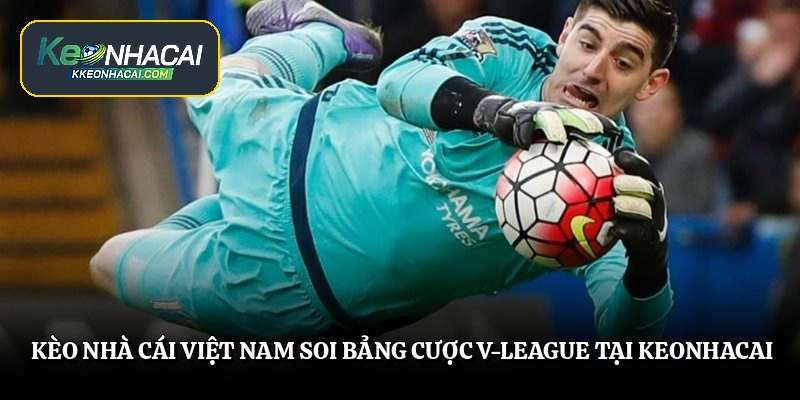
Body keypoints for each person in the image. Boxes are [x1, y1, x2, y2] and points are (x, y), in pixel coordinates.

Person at [90, 0, 677, 342]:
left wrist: (649, 267)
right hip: (293, 141)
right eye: (588, 43)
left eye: (623, 61)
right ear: (565, 33)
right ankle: (327, 36)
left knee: (109, 262)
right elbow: (401, 81)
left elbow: (626, 333)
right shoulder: (514, 50)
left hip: (289, 292)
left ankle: (225, 216)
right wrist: (496, 113)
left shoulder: (613, 191)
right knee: (218, 79)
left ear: (651, 84)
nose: (594, 69)